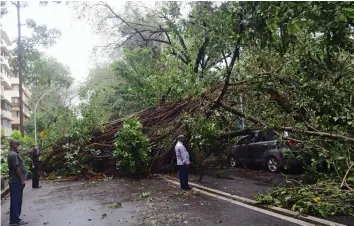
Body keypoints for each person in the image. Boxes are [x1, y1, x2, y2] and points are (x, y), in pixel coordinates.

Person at [7, 139, 28, 225]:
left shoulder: (12, 153)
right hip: (16, 181)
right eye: (18, 145)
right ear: (14, 146)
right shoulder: (13, 155)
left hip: (15, 181)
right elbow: (16, 168)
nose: (19, 147)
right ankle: (15, 220)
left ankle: (14, 219)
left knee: (15, 201)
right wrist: (22, 179)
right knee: (16, 201)